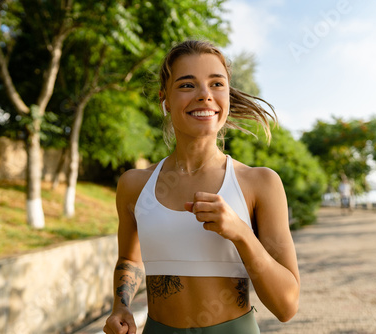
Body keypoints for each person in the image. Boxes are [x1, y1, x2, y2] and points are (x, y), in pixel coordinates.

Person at [103, 40, 300, 334]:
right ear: (165, 100)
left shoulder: (261, 183)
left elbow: (286, 306)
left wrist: (242, 233)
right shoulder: (134, 185)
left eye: (216, 84)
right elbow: (130, 258)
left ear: (228, 95)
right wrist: (121, 306)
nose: (205, 96)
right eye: (187, 85)